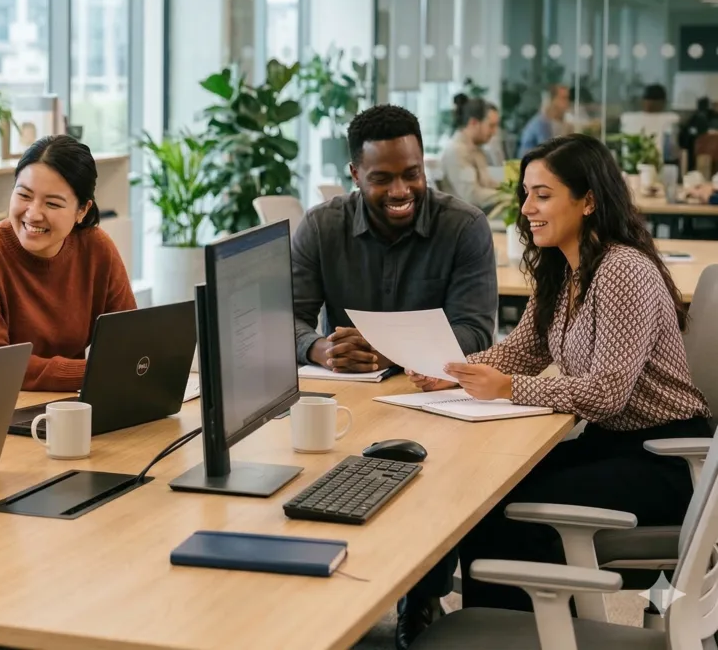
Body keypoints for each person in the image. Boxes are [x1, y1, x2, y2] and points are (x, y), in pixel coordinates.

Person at [410, 133, 711, 615]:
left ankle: (521, 634)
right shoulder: (563, 268)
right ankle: (510, 631)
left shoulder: (622, 270)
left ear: (588, 201)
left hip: (666, 460)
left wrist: (507, 389)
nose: (527, 206)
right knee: (488, 490)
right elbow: (523, 351)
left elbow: (608, 393)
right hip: (615, 444)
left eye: (543, 194)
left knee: (503, 512)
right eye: (526, 193)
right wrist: (456, 373)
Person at [289, 104, 497, 649]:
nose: (401, 188)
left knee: (445, 479)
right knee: (309, 476)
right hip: (344, 399)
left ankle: (421, 598)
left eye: (412, 173)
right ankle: (329, 595)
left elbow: (475, 331)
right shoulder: (321, 226)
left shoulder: (464, 227)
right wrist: (318, 347)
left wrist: (396, 352)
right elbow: (280, 320)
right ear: (355, 175)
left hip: (436, 400)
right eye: (382, 178)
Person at [0, 134, 135, 391]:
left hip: (66, 404)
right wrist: (97, 371)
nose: (33, 214)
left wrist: (119, 368)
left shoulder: (96, 248)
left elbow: (130, 344)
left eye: (52, 203)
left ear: (82, 210)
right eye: (24, 195)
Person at [439, 95, 502, 210]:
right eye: (491, 126)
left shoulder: (476, 149)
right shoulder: (456, 151)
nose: (494, 132)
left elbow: (487, 183)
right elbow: (472, 196)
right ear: (473, 123)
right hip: (462, 220)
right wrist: (507, 196)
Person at [620, 83, 682, 164]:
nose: (649, 104)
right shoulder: (671, 119)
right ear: (663, 102)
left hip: (638, 166)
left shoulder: (627, 118)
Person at [517, 84, 571, 158]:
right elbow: (548, 152)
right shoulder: (541, 123)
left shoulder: (559, 122)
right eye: (563, 98)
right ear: (553, 100)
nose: (567, 102)